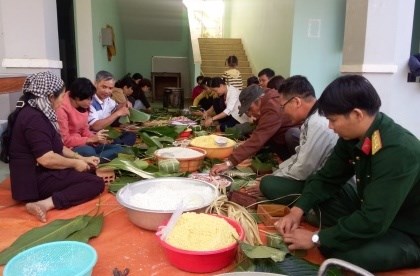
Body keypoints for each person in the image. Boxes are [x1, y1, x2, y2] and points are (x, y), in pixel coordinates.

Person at [276, 75, 420, 272]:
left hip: (406, 230)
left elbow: (374, 219)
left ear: (357, 114)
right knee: (320, 199)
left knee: (339, 254)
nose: (330, 126)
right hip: (370, 208)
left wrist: (316, 238)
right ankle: (342, 230)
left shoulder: (399, 150)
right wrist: (297, 210)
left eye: (333, 120)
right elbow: (327, 178)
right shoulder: (352, 137)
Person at [0, 71, 104, 223]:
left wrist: (82, 158)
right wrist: (75, 164)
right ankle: (44, 204)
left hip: (40, 172)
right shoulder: (34, 118)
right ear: (50, 97)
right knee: (95, 183)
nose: (62, 101)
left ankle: (52, 195)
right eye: (62, 96)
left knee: (90, 171)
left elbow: (59, 148)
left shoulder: (39, 113)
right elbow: (46, 159)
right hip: (32, 183)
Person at [248, 76, 337, 205]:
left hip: (326, 186)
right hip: (314, 178)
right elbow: (299, 156)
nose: (282, 112)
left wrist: (275, 177)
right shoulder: (312, 119)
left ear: (296, 102)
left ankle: (314, 209)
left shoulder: (318, 123)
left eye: (283, 107)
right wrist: (277, 173)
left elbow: (304, 168)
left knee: (268, 185)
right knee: (270, 181)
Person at [210, 84, 300, 175]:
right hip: (283, 138)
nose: (250, 113)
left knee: (288, 135)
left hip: (296, 141)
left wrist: (229, 163)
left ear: (258, 101)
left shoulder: (272, 107)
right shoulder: (266, 99)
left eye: (250, 108)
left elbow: (259, 138)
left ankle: (294, 170)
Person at [56, 77, 123, 162]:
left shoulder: (83, 106)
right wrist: (90, 140)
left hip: (85, 143)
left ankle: (93, 160)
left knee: (118, 148)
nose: (90, 102)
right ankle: (93, 160)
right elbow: (65, 140)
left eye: (91, 98)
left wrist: (97, 139)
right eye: (88, 99)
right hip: (70, 148)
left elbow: (85, 130)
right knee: (88, 151)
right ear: (77, 97)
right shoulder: (61, 109)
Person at [88, 71, 136, 146]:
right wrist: (118, 113)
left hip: (106, 135)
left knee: (131, 135)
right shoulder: (89, 101)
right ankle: (115, 148)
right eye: (104, 87)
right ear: (96, 84)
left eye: (110, 88)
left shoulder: (108, 100)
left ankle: (115, 147)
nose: (107, 91)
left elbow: (115, 107)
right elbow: (95, 126)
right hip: (93, 138)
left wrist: (124, 104)